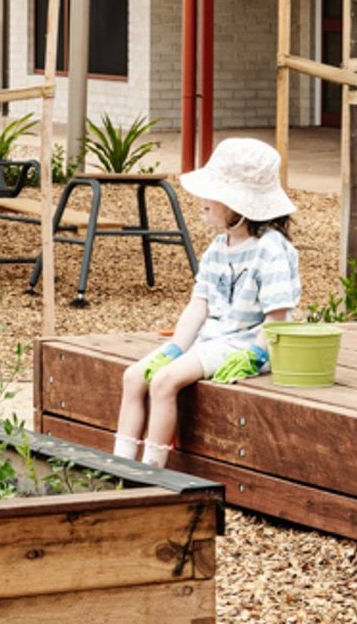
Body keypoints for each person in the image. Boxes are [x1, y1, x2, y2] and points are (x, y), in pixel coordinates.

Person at [114, 137, 299, 469]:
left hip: (242, 344)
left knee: (163, 381)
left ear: (238, 204)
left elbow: (278, 315)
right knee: (133, 376)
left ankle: (149, 471)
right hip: (210, 341)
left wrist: (256, 355)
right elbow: (198, 305)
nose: (202, 199)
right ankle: (118, 466)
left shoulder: (270, 248)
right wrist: (175, 348)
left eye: (213, 193)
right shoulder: (217, 246)